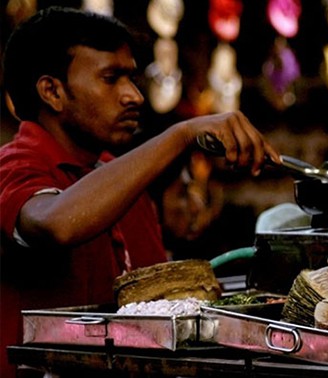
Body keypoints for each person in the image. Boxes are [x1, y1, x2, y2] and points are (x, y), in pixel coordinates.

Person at [0, 6, 280, 378]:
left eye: (131, 78)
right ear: (52, 91)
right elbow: (56, 224)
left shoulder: (122, 181)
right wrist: (180, 135)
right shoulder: (13, 167)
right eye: (111, 78)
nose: (134, 96)